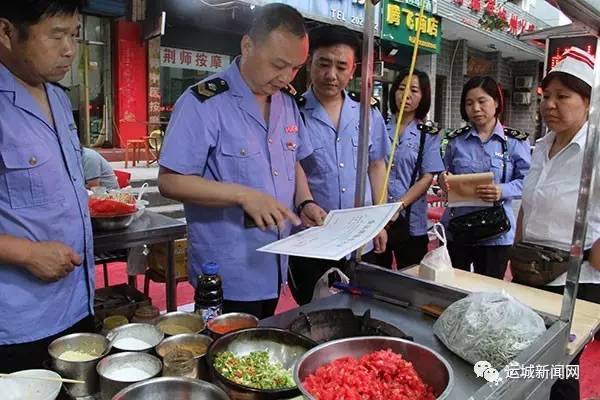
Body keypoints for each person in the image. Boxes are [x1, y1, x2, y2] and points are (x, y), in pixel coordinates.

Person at [158, 4, 320, 319]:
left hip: (274, 265)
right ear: (247, 46)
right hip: (227, 272)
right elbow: (169, 180)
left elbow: (293, 160)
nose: (287, 77)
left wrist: (306, 202)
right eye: (278, 64)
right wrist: (243, 194)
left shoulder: (286, 104)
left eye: (297, 68)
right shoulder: (203, 102)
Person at [0, 1, 95, 373]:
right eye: (56, 35)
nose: (70, 48)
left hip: (77, 303)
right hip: (19, 322)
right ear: (6, 32)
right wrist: (25, 253)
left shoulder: (57, 96)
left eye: (73, 34)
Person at [515, 47, 599, 400]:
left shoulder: (596, 149)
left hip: (576, 280)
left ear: (588, 101)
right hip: (531, 273)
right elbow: (528, 205)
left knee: (560, 368)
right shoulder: (540, 146)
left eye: (563, 97)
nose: (550, 104)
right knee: (534, 362)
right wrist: (515, 250)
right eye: (546, 96)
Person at [286, 25, 388, 305]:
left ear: (353, 70)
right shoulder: (292, 111)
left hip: (361, 239)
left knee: (360, 312)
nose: (331, 75)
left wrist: (380, 222)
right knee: (312, 313)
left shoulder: (367, 112)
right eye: (324, 64)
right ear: (310, 63)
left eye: (341, 67)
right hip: (312, 239)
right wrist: (304, 203)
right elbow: (289, 165)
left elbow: (377, 166)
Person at [438, 76, 531, 279]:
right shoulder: (456, 141)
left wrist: (502, 190)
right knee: (453, 287)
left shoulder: (515, 142)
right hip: (459, 229)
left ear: (496, 102)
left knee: (488, 294)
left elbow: (528, 182)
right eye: (469, 103)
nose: (476, 108)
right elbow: (443, 174)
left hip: (496, 234)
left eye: (482, 101)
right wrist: (442, 181)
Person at [374, 68, 444, 269]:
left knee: (411, 277)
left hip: (411, 222)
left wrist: (399, 206)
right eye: (401, 88)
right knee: (377, 278)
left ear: (423, 97)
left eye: (414, 90)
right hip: (378, 219)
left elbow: (427, 178)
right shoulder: (378, 126)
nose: (406, 95)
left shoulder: (427, 135)